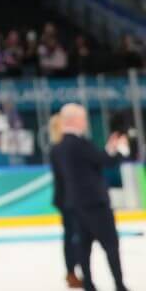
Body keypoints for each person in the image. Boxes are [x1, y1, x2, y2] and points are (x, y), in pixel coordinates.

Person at [49, 103, 131, 291]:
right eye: (83, 118)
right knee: (110, 244)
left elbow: (93, 161)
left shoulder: (59, 147)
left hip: (73, 204)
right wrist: (120, 150)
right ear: (75, 120)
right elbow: (104, 161)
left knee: (82, 246)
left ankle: (86, 282)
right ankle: (119, 285)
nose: (86, 122)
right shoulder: (79, 143)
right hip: (94, 203)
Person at [48, 113, 83, 288]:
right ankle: (71, 272)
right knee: (73, 237)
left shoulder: (59, 148)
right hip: (68, 199)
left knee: (73, 236)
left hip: (67, 198)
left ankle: (73, 271)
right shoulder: (60, 149)